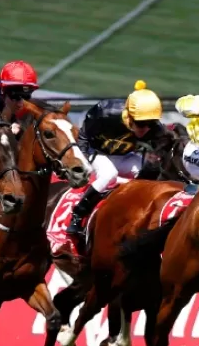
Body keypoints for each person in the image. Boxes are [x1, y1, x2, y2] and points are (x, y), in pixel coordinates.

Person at [66, 81, 166, 239]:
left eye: (151, 123)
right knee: (109, 174)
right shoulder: (106, 112)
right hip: (97, 152)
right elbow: (84, 136)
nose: (146, 128)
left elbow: (162, 150)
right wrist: (83, 159)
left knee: (152, 174)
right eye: (141, 123)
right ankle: (78, 214)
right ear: (129, 116)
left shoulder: (154, 129)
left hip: (125, 156)